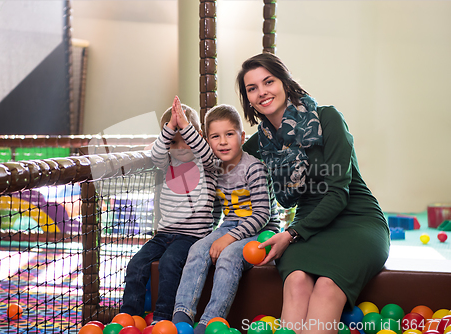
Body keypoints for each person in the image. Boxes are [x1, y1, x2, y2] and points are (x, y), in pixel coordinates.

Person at [236, 52, 390, 334]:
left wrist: (291, 234)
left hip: (355, 219)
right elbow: (219, 163)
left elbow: (337, 194)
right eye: (252, 88)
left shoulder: (327, 118)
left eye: (268, 81)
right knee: (295, 282)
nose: (262, 92)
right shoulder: (260, 144)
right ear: (248, 99)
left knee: (327, 288)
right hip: (308, 224)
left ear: (284, 81)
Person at [172, 104, 280, 334]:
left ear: (241, 137)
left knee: (229, 256)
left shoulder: (254, 168)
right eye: (215, 136)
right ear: (207, 141)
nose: (222, 142)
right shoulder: (215, 170)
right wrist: (209, 235)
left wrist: (228, 238)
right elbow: (216, 210)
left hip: (261, 229)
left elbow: (263, 214)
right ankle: (182, 314)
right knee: (198, 249)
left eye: (229, 134)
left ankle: (211, 322)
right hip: (231, 225)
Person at [120, 96, 219, 323]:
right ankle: (129, 315)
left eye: (186, 139)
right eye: (173, 142)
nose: (181, 147)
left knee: (169, 263)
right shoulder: (167, 163)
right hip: (163, 234)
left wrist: (184, 126)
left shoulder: (206, 163)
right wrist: (170, 128)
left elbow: (208, 155)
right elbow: (156, 154)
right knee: (136, 264)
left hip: (192, 237)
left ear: (197, 137)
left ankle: (163, 318)